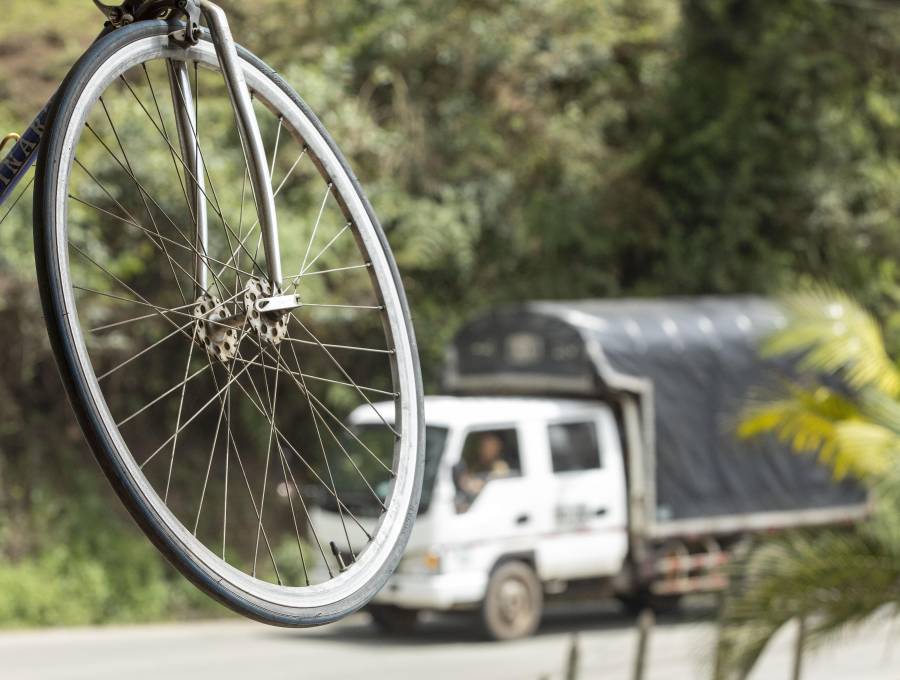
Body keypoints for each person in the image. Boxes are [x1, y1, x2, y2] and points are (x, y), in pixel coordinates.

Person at [453, 433, 511, 509]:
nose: (485, 450)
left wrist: (474, 484)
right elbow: (467, 478)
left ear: (496, 449)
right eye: (484, 446)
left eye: (490, 447)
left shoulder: (500, 466)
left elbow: (497, 487)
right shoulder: (477, 464)